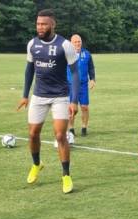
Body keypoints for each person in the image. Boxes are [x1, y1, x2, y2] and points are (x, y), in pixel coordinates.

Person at [17, 9, 80, 194]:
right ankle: (37, 164)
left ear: (53, 24)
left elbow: (75, 72)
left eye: (44, 24)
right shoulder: (32, 44)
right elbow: (29, 70)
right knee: (33, 134)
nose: (40, 27)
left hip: (60, 96)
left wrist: (73, 100)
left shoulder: (65, 45)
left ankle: (66, 175)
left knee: (60, 136)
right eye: (38, 24)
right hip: (38, 96)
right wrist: (24, 95)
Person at [67, 34, 95, 137]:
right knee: (72, 109)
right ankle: (71, 129)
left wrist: (92, 79)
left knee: (85, 107)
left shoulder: (86, 54)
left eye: (79, 41)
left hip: (83, 85)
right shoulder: (67, 54)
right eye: (75, 42)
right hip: (70, 85)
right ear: (71, 43)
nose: (78, 43)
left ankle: (84, 128)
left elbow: (91, 68)